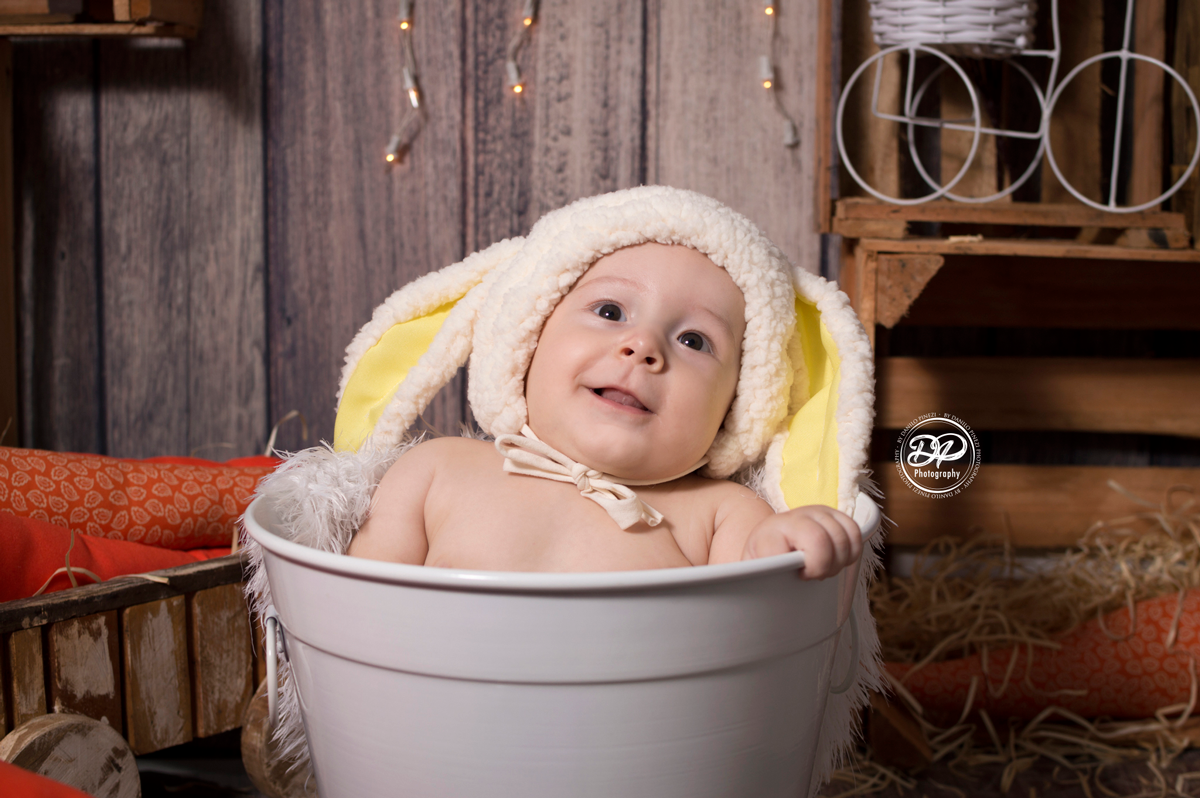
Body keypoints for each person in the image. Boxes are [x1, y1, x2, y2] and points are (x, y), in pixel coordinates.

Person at [348, 239, 862, 576]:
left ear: (738, 403)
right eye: (610, 311)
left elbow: (760, 630)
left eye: (694, 340)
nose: (642, 346)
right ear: (526, 342)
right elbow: (353, 610)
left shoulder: (723, 516)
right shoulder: (436, 471)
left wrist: (787, 541)